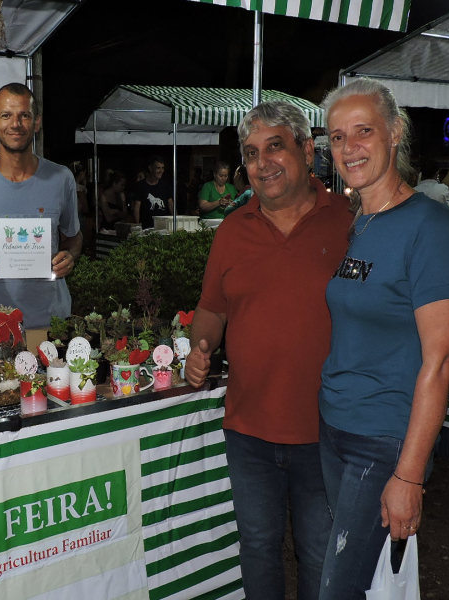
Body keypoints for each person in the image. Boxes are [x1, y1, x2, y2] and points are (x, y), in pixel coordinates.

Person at [186, 101, 352, 600]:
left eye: (275, 146)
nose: (262, 163)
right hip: (248, 431)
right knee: (257, 548)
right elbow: (212, 309)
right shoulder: (233, 230)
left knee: (321, 553)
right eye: (252, 154)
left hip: (325, 430)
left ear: (307, 149)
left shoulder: (351, 222)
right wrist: (201, 345)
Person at [318, 78, 449, 599]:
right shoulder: (360, 221)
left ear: (395, 132)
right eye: (337, 137)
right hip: (335, 427)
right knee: (363, 583)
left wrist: (408, 476)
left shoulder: (432, 226)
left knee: (337, 589)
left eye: (363, 131)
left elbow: (442, 358)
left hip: (383, 440)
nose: (349, 147)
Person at [0, 83, 81, 341]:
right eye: (6, 115)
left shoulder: (61, 178)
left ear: (36, 123)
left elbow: (74, 237)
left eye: (24, 115)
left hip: (53, 325)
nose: (16, 123)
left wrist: (70, 256)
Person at [131, 155, 173, 229]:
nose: (161, 171)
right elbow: (136, 207)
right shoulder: (140, 185)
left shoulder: (165, 185)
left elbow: (171, 205)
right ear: (150, 168)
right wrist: (137, 226)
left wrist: (176, 223)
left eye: (162, 168)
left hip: (164, 227)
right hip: (146, 227)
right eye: (158, 168)